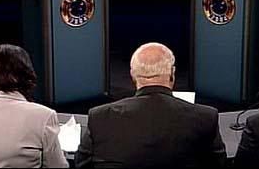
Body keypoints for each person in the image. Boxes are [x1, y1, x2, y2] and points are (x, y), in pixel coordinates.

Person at [75, 42, 227, 169]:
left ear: (133, 76)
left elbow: (81, 165)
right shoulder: (206, 118)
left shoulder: (100, 118)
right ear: (172, 74)